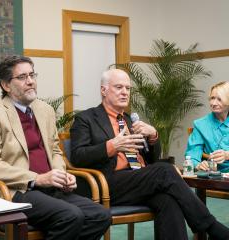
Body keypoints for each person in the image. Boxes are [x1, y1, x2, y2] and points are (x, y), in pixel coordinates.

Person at [70, 68, 229, 240]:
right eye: (118, 87)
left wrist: (153, 137)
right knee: (165, 170)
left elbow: (150, 159)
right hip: (106, 182)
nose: (125, 92)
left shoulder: (130, 120)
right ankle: (212, 227)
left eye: (128, 88)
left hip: (136, 179)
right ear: (104, 90)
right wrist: (111, 146)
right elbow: (78, 156)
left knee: (168, 200)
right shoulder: (85, 119)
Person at [0, 55, 111, 240]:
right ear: (6, 85)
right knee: (70, 216)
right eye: (22, 77)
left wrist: (62, 175)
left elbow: (55, 151)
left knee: (101, 216)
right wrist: (37, 179)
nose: (30, 81)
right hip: (17, 190)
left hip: (51, 189)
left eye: (32, 75)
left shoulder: (45, 110)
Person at [185, 81, 229, 173]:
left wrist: (227, 155)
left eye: (219, 99)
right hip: (212, 174)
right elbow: (192, 153)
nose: (213, 103)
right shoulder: (200, 124)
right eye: (212, 98)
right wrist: (198, 165)